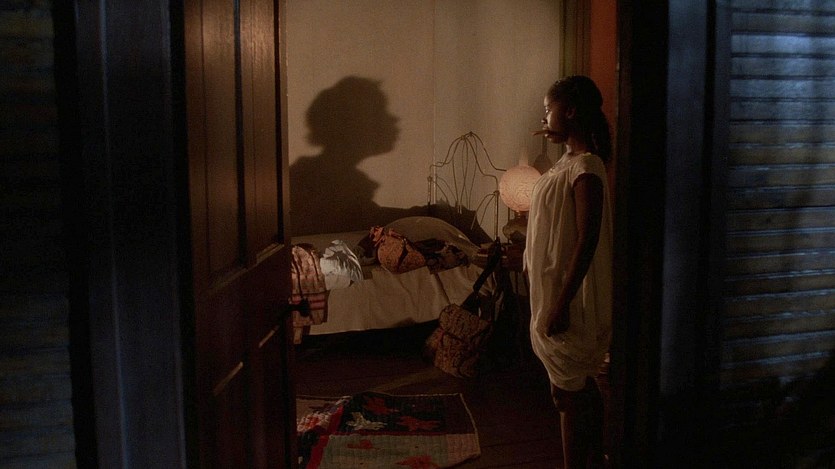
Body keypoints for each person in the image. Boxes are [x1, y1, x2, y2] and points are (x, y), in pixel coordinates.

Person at [524, 75, 613, 468]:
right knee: (569, 392)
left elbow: (586, 241)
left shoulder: (587, 167)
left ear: (571, 111)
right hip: (554, 291)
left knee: (568, 393)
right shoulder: (566, 163)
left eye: (549, 109)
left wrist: (562, 303)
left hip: (569, 297)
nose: (544, 117)